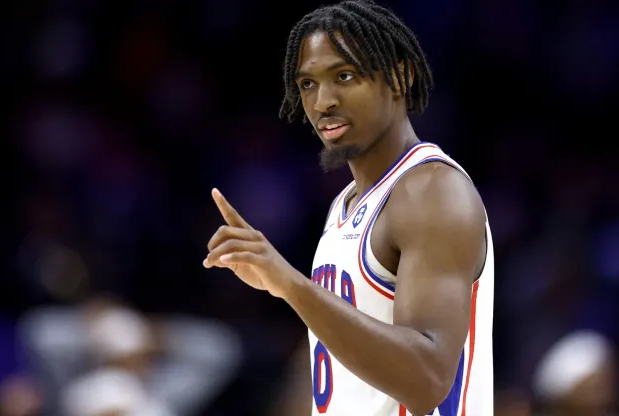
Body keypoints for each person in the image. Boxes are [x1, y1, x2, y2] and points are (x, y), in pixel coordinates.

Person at [203, 0, 494, 414]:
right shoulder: (346, 205)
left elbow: (428, 379)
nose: (323, 102)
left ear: (400, 76)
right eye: (307, 84)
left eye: (344, 76)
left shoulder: (431, 191)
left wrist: (290, 285)